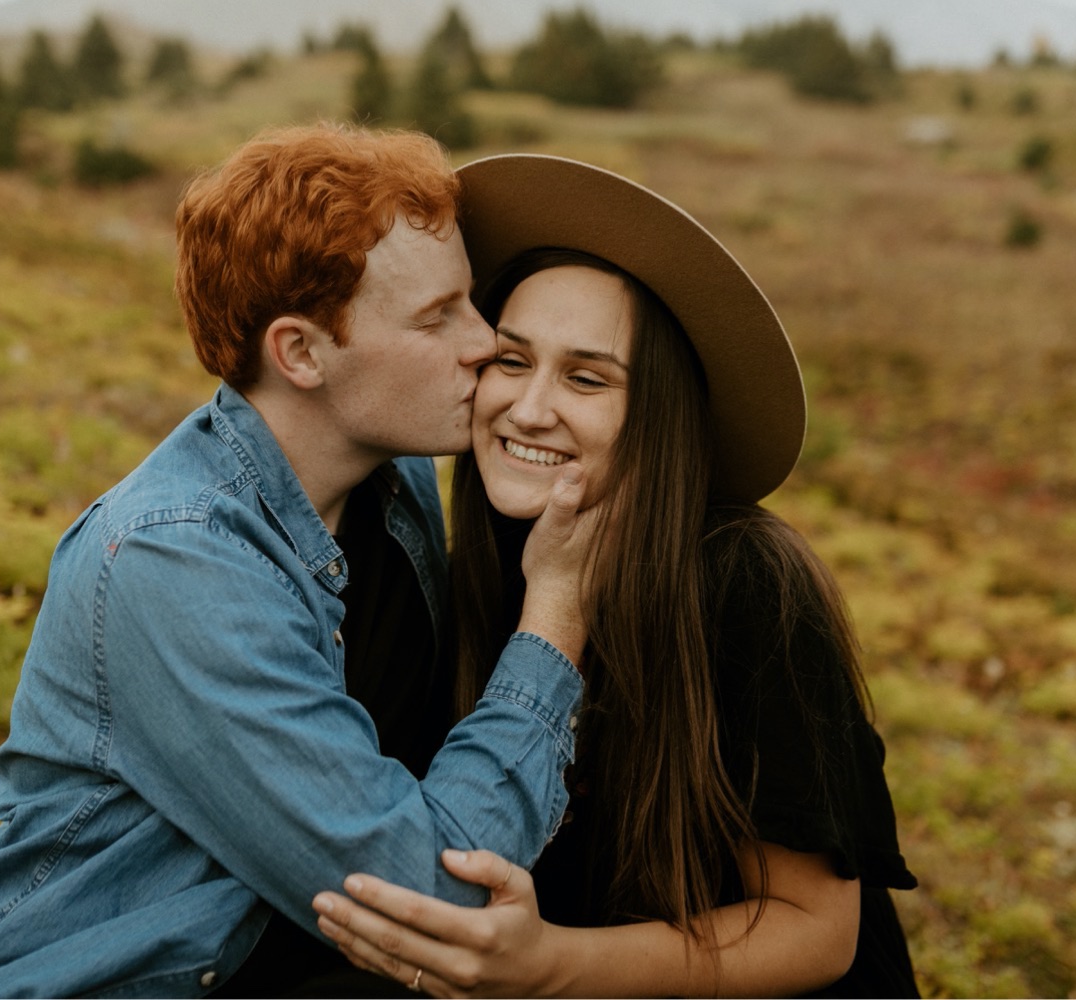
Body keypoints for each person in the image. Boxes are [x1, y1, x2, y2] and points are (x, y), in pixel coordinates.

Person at [0, 127, 599, 999]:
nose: (484, 340)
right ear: (300, 353)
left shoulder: (399, 484)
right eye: (438, 316)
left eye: (472, 302)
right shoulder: (174, 559)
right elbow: (433, 899)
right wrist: (558, 613)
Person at [310, 155, 920, 997]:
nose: (528, 409)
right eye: (512, 361)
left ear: (657, 415)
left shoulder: (742, 581)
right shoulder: (480, 563)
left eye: (587, 378)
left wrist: (552, 965)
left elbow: (816, 931)